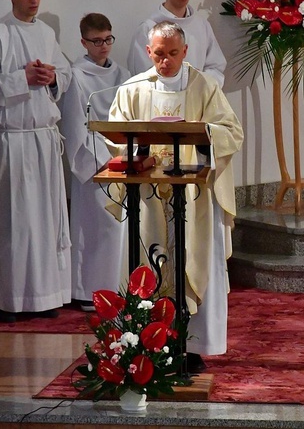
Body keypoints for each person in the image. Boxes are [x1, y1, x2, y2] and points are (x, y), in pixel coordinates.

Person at [109, 21, 243, 370]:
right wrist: (136, 158)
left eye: (172, 54)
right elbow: (115, 135)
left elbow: (231, 132)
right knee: (147, 262)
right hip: (148, 197)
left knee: (191, 262)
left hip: (194, 195)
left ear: (185, 52)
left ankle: (192, 345)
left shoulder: (205, 86)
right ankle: (145, 341)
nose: (165, 61)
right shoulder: (132, 90)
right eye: (158, 54)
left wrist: (199, 137)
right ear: (147, 52)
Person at [0, 0, 72, 323]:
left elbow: (65, 74)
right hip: (12, 142)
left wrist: (52, 76)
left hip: (43, 140)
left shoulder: (46, 32)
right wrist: (21, 77)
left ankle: (47, 295)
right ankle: (9, 299)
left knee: (45, 221)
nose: (34, 0)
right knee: (14, 222)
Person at [61, 13, 130, 311]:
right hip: (95, 160)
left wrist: (127, 154)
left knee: (121, 227)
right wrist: (102, 160)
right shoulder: (76, 75)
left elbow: (130, 117)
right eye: (97, 41)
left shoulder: (123, 75)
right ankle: (90, 290)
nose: (104, 46)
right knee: (97, 226)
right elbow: (76, 124)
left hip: (122, 157)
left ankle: (118, 287)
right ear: (83, 42)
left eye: (108, 39)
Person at [127, 0, 226, 88]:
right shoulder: (148, 29)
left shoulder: (202, 26)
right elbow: (141, 78)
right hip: (162, 104)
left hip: (197, 102)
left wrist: (199, 86)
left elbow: (215, 67)